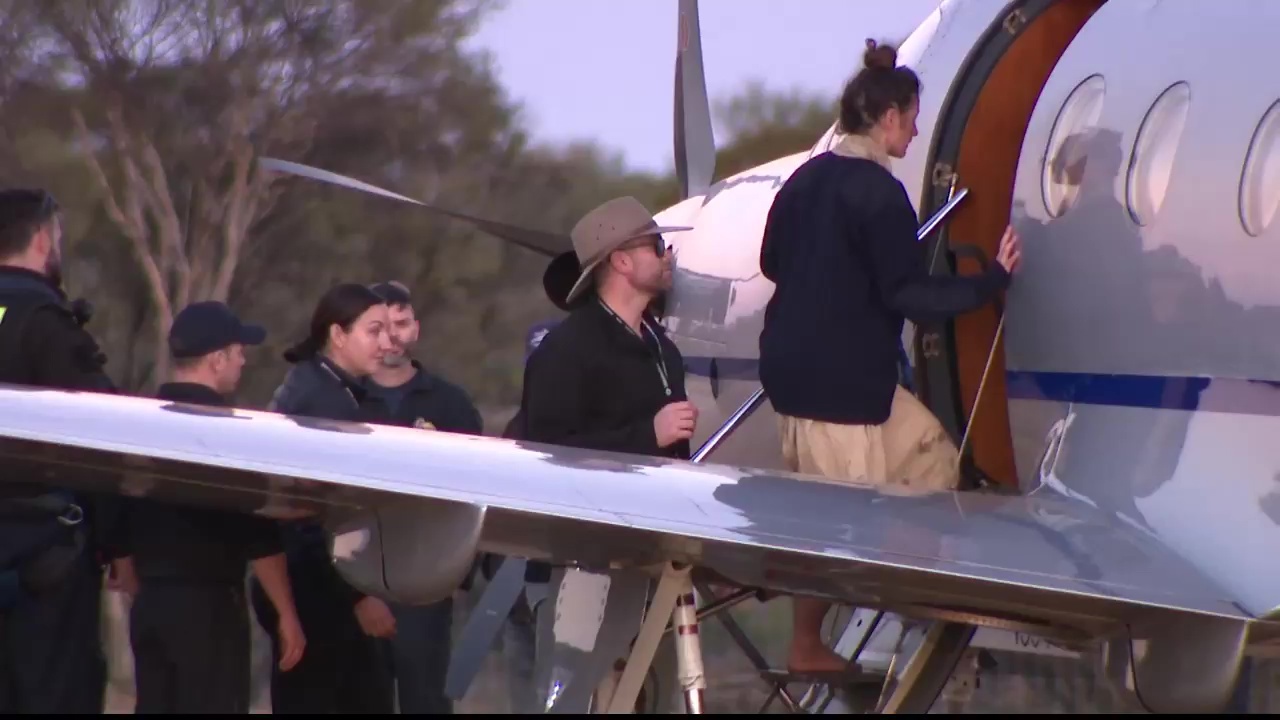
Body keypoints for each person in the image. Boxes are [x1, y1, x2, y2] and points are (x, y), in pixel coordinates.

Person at [756, 40, 1022, 678]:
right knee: (833, 528)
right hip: (837, 389)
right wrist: (992, 281)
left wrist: (828, 280)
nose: (919, 128)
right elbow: (912, 295)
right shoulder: (876, 192)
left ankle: (904, 608)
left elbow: (770, 261)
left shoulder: (805, 178)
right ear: (888, 118)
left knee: (932, 458)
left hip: (805, 376)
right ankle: (810, 645)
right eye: (913, 116)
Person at [107, 300, 306, 713]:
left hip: (151, 606)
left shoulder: (136, 426)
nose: (243, 362)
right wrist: (287, 613)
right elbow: (257, 533)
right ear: (217, 360)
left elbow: (116, 507)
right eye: (237, 353)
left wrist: (127, 567)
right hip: (209, 607)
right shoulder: (229, 434)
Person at [252, 283, 398, 713]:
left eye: (389, 330)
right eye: (373, 331)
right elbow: (305, 517)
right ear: (338, 335)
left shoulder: (343, 393)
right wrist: (357, 596)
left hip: (335, 589)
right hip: (318, 594)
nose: (386, 343)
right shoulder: (318, 403)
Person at [0, 187, 119, 713]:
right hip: (43, 555)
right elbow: (107, 433)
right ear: (43, 238)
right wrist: (119, 539)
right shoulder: (46, 323)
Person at [366, 280, 484, 715]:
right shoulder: (341, 402)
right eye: (379, 326)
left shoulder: (450, 405)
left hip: (427, 592)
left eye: (402, 323)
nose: (392, 335)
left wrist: (454, 577)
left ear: (416, 328)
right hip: (355, 588)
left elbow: (475, 492)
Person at [520, 196, 697, 458]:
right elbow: (545, 452)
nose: (668, 255)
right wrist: (649, 436)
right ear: (622, 262)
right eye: (658, 246)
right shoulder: (564, 351)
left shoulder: (664, 349)